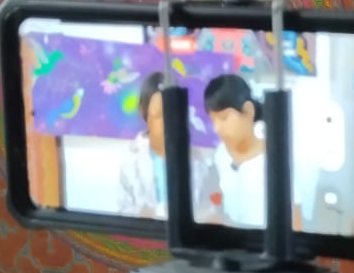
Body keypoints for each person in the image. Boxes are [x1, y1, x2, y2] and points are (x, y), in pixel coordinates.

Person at [115, 71, 217, 220]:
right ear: (145, 114)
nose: (167, 123)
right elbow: (122, 211)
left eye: (173, 114)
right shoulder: (130, 161)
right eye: (158, 115)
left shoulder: (201, 161)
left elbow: (210, 211)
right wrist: (145, 214)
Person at [204, 74, 268, 228]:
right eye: (213, 120)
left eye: (224, 118)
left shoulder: (274, 158)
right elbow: (215, 197)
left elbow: (294, 219)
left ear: (248, 111)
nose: (217, 128)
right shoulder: (220, 154)